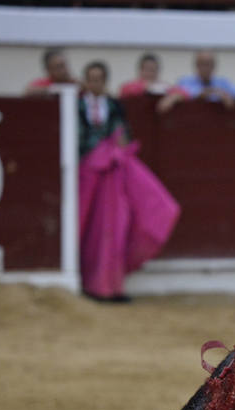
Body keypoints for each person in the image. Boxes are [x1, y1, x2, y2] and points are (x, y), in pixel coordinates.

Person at [77, 60, 181, 302]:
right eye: (91, 79)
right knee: (90, 230)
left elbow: (124, 134)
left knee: (115, 228)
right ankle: (90, 283)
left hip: (112, 177)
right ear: (85, 81)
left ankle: (110, 286)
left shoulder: (113, 105)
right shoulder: (77, 105)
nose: (95, 83)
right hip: (87, 178)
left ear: (105, 81)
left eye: (99, 79)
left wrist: (116, 148)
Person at [171, 49, 235, 111]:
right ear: (196, 65)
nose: (205, 68)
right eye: (202, 64)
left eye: (208, 64)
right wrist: (216, 92)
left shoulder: (222, 82)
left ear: (214, 66)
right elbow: (190, 94)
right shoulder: (185, 81)